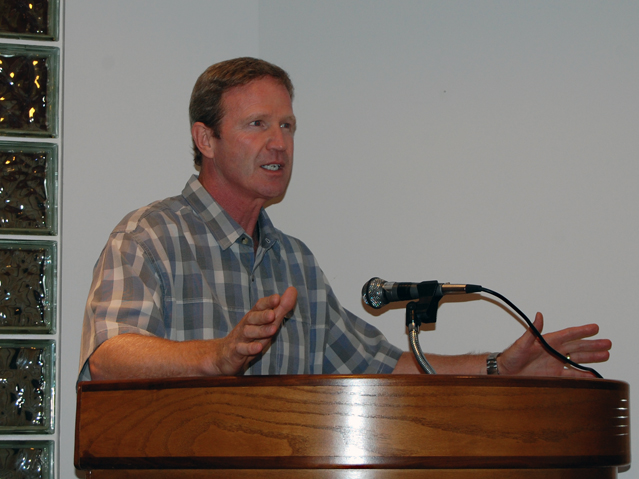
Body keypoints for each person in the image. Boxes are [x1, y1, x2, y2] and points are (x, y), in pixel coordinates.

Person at [78, 57, 611, 382]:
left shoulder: (295, 263)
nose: (278, 143)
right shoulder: (149, 237)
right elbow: (108, 356)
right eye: (257, 124)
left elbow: (385, 367)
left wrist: (500, 367)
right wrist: (217, 357)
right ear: (205, 139)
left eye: (287, 125)